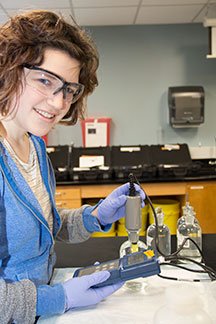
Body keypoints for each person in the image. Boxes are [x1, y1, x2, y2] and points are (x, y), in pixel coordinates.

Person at [0, 9, 145, 324]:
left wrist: (96, 216)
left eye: (68, 89)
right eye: (44, 80)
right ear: (8, 70)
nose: (57, 103)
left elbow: (42, 228)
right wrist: (60, 298)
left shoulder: (34, 145)